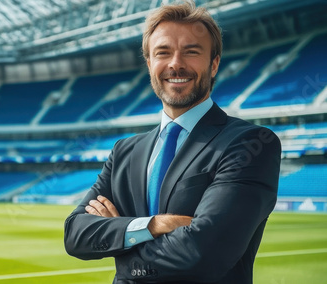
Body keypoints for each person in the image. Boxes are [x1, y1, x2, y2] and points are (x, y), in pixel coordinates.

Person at [63, 1, 281, 283]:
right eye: (163, 52)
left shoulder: (250, 143)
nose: (176, 64)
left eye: (191, 52)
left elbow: (205, 252)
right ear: (150, 63)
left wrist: (122, 248)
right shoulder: (124, 152)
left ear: (214, 64)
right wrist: (154, 225)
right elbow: (75, 234)